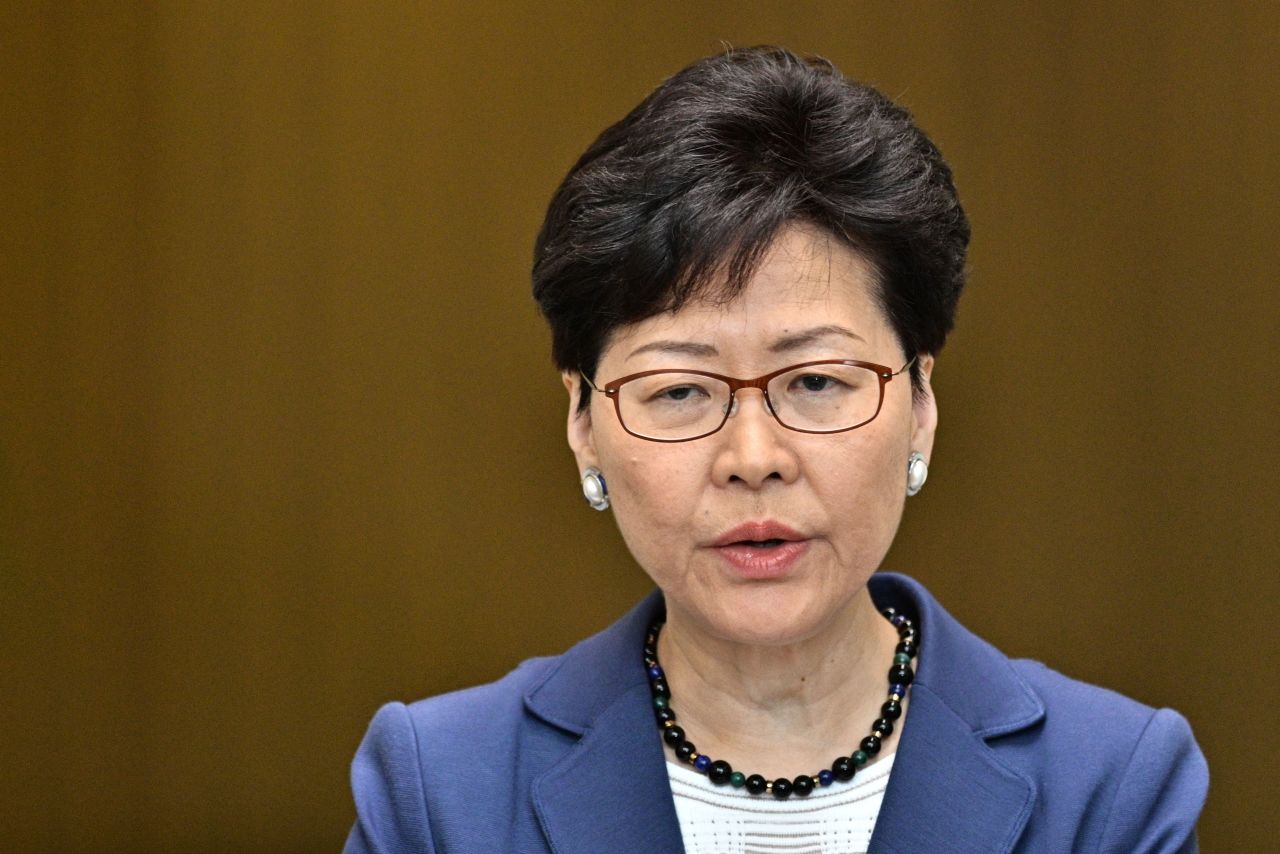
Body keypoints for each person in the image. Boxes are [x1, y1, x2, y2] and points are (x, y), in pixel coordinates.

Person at [344, 46, 1208, 853]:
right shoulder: (439, 789)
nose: (752, 456)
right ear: (583, 426)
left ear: (921, 407)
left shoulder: (1110, 784)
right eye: (680, 391)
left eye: (817, 382)